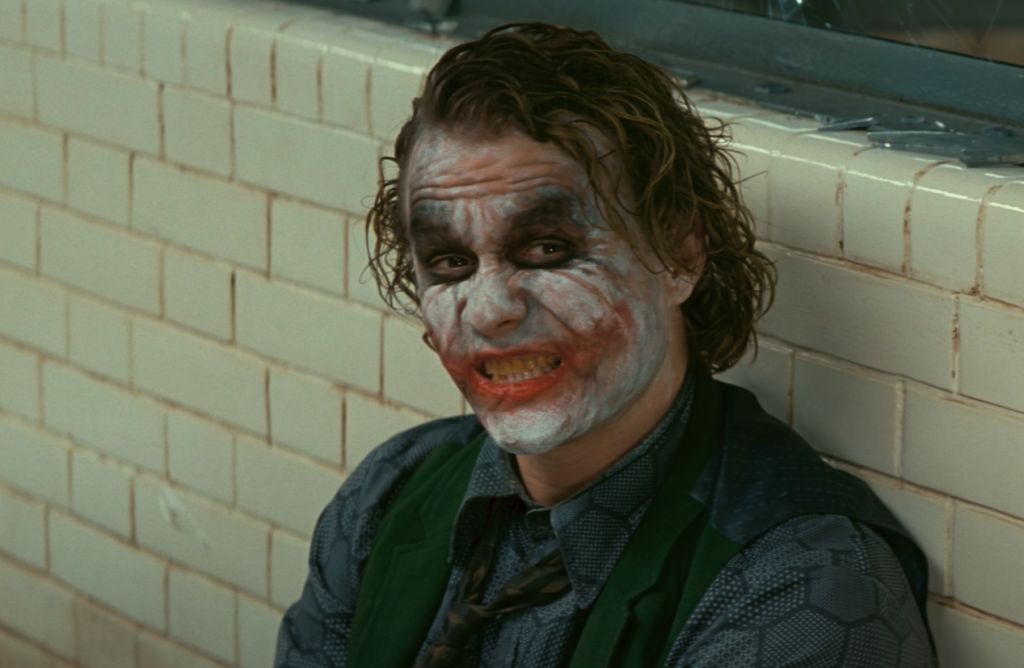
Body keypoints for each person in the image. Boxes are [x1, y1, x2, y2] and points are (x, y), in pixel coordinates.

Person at [276, 22, 936, 667]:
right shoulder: (391, 492)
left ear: (678, 255)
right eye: (450, 263)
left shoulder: (800, 586)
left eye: (547, 249)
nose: (491, 310)